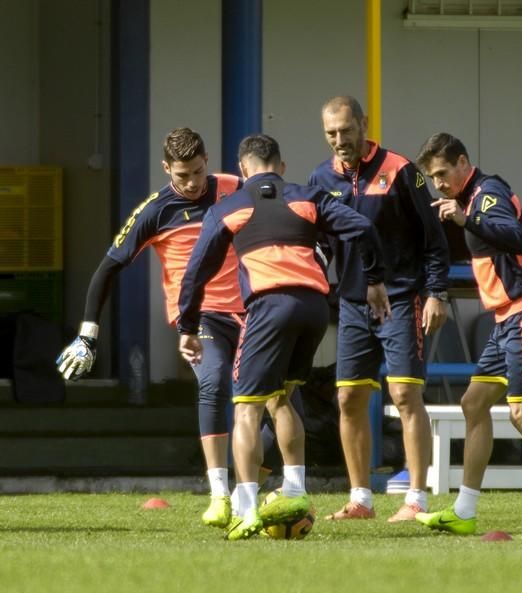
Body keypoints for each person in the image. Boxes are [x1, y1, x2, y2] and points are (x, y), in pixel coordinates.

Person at [176, 133, 388, 540]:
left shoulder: (229, 207)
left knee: (246, 409)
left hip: (269, 306)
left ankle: (248, 506)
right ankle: (294, 490)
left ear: (242, 170)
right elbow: (362, 227)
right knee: (284, 395)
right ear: (282, 166)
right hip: (312, 307)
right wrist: (374, 280)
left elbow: (195, 273)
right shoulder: (309, 197)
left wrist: (188, 327)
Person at [56, 127, 258, 528]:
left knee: (277, 403)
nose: (192, 183)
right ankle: (219, 493)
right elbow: (107, 268)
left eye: (198, 172)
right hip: (200, 318)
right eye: (182, 176)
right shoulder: (155, 210)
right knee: (214, 382)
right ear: (167, 168)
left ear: (207, 162)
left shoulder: (236, 188)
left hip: (254, 312)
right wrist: (87, 333)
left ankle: (246, 493)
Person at [413, 132, 522, 539]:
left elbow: (516, 236)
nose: (438, 183)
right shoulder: (469, 203)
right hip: (509, 316)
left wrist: (464, 218)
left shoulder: (487, 194)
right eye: (432, 177)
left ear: (462, 162)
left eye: (442, 173)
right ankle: (464, 510)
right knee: (474, 403)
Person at [309, 96, 451, 522]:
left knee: (405, 394)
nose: (339, 140)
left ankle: (416, 499)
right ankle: (361, 499)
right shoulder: (319, 178)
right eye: (331, 133)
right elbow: (318, 239)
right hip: (352, 304)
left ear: (364, 125)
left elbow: (434, 240)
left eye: (346, 130)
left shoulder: (401, 170)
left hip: (403, 299)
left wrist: (437, 293)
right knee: (348, 397)